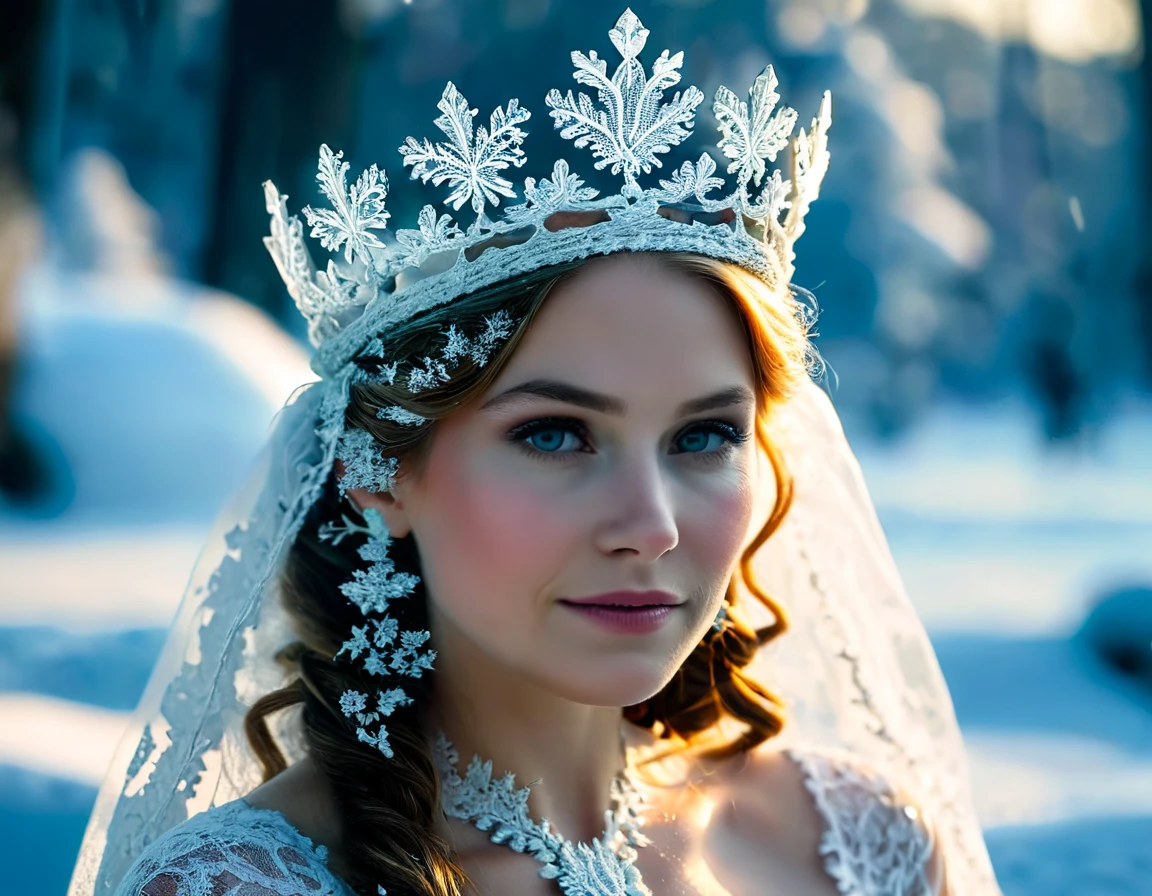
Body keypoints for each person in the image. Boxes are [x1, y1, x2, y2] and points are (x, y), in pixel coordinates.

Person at [69, 10, 1002, 895]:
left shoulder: (856, 849)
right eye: (554, 434)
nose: (650, 525)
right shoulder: (243, 886)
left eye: (705, 436)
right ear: (378, 471)